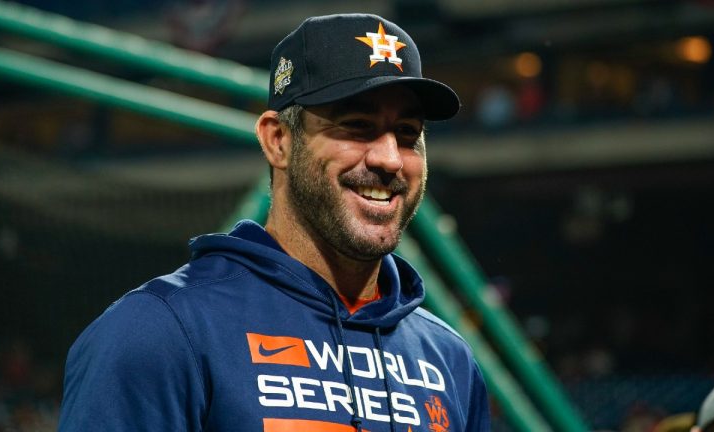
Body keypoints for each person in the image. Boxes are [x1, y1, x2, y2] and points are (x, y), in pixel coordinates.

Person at [59, 13, 490, 432]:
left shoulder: (448, 360)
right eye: (357, 126)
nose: (390, 158)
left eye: (408, 134)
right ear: (278, 140)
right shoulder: (160, 332)